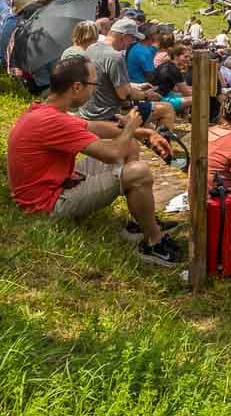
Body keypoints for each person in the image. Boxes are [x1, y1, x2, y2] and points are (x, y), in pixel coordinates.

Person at [6, 56, 179, 266]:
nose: (95, 90)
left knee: (130, 144)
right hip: (47, 204)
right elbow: (113, 153)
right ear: (77, 87)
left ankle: (138, 222)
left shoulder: (45, 110)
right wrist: (132, 126)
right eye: (94, 84)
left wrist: (144, 133)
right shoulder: (53, 121)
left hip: (53, 186)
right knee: (138, 172)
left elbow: (93, 126)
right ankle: (154, 242)